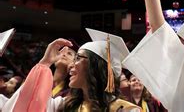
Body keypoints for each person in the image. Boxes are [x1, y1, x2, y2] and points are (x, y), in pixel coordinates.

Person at [2, 29, 141, 112]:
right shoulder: (63, 106)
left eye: (78, 58)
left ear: (96, 67)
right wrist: (45, 63)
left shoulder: (126, 110)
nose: (72, 65)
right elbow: (25, 104)